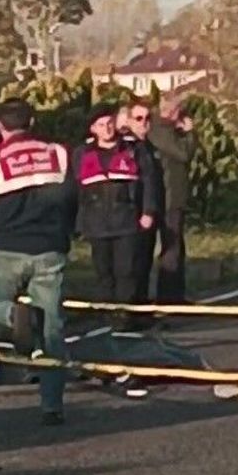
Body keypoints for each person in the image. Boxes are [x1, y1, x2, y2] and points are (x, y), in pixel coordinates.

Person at [0, 98, 77, 426]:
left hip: (8, 246)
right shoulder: (58, 153)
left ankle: (16, 316)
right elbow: (71, 199)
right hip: (50, 248)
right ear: (32, 122)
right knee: (53, 330)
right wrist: (65, 234)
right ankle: (52, 405)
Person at [73, 103, 160, 397]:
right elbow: (74, 189)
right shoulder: (82, 154)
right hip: (97, 224)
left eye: (109, 123)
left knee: (127, 272)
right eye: (100, 125)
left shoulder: (133, 150)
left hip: (126, 221)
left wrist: (148, 211)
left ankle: (124, 320)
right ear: (92, 129)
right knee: (104, 275)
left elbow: (149, 181)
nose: (107, 128)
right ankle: (107, 320)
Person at [147, 101, 197, 304]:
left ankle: (176, 293)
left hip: (173, 195)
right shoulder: (160, 130)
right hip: (168, 196)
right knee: (171, 246)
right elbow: (183, 154)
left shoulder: (167, 131)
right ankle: (167, 295)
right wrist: (190, 133)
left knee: (176, 246)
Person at [119, 101, 164, 319]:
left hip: (147, 212)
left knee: (144, 261)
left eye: (147, 118)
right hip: (132, 212)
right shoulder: (127, 147)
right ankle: (132, 309)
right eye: (138, 118)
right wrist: (144, 210)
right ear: (128, 120)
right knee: (133, 263)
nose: (144, 123)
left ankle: (142, 306)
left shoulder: (147, 146)